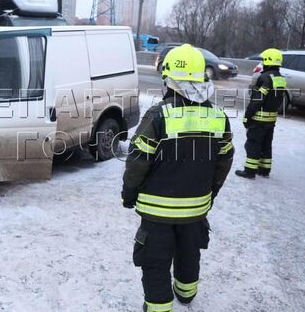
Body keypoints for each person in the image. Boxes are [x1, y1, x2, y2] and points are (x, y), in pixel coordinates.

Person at [121, 44, 234, 312]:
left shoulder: (158, 115)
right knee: (189, 252)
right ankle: (186, 294)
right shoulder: (218, 116)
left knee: (156, 260)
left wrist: (129, 194)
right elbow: (224, 160)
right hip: (196, 209)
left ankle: (159, 307)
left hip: (156, 211)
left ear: (169, 80)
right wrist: (210, 193)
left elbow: (138, 161)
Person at [235, 48, 287, 179]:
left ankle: (250, 171)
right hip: (271, 120)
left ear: (269, 61)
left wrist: (247, 116)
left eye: (264, 60)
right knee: (266, 144)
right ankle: (264, 170)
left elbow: (257, 100)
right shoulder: (280, 78)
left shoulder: (264, 78)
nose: (263, 63)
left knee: (253, 144)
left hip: (258, 120)